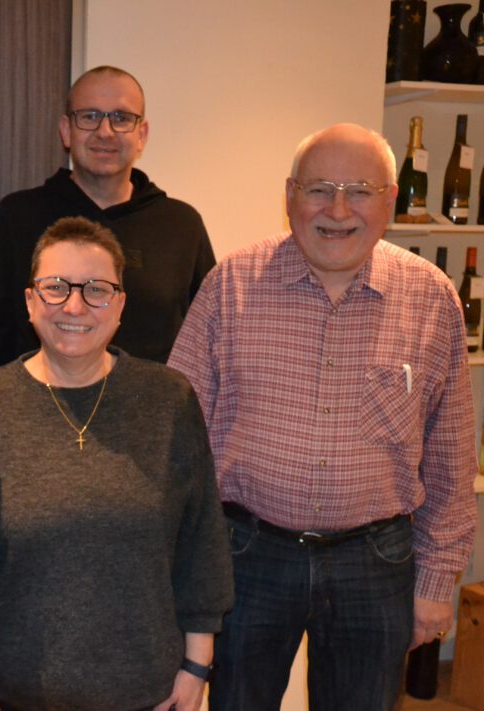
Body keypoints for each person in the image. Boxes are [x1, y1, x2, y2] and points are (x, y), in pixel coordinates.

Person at [168, 123, 478, 711]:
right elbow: (178, 445)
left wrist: (437, 585)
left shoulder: (432, 298)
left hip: (376, 562)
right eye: (319, 190)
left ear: (390, 200)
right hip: (247, 555)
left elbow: (451, 462)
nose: (338, 210)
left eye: (359, 190)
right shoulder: (230, 285)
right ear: (289, 196)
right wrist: (182, 572)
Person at [0, 216, 232, 711]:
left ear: (121, 305)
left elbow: (201, 540)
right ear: (29, 301)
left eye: (97, 290)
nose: (75, 305)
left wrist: (197, 668)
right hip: (11, 693)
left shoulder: (168, 400)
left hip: (146, 692)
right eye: (56, 287)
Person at [0, 66, 214, 373]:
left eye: (121, 118)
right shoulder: (16, 217)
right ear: (66, 130)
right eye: (89, 116)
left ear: (141, 134)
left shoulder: (181, 226)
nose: (105, 131)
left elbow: (207, 343)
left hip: (153, 404)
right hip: (35, 402)